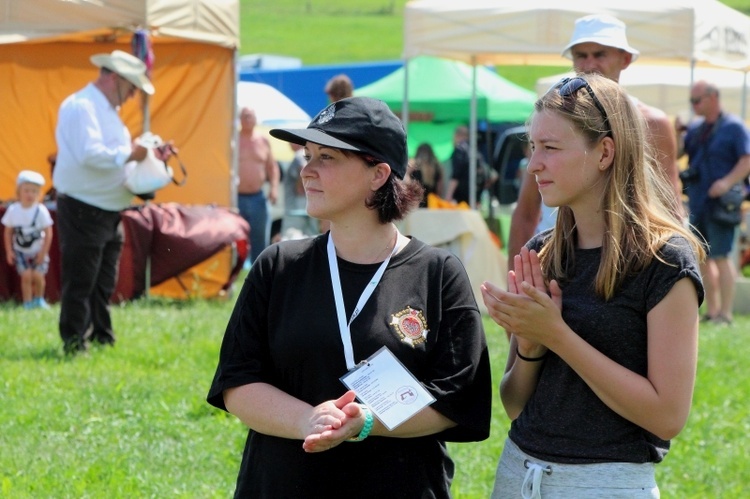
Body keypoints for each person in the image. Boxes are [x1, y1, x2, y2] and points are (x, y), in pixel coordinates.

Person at [207, 96, 491, 497]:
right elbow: (237, 382)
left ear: (378, 174)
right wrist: (310, 420)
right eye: (308, 155)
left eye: (328, 158)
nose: (307, 170)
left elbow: (458, 399)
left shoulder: (438, 274)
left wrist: (367, 421)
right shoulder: (278, 267)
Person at [481, 74, 705, 497]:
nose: (533, 164)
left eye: (550, 147)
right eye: (533, 147)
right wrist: (530, 348)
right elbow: (514, 405)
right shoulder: (543, 253)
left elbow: (668, 416)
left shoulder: (665, 261)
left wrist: (557, 336)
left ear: (604, 152)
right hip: (517, 476)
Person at [507, 14, 683, 272]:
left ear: (624, 59)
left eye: (600, 54)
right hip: (558, 258)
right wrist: (518, 278)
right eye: (581, 55)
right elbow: (526, 209)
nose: (589, 64)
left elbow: (670, 205)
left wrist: (675, 268)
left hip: (627, 262)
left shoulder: (651, 122)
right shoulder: (551, 120)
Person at [53, 49, 171, 354]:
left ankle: (101, 336)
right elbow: (89, 154)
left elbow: (118, 163)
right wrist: (133, 154)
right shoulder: (82, 106)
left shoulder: (103, 110)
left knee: (103, 280)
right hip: (83, 206)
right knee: (81, 280)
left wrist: (151, 160)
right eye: (132, 88)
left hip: (106, 207)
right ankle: (75, 342)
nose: (132, 96)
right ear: (115, 79)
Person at [679, 80, 750, 325]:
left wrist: (727, 182)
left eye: (696, 100)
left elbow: (746, 159)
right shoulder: (696, 129)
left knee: (721, 256)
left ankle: (726, 313)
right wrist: (677, 134)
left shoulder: (734, 126)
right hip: (698, 202)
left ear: (713, 98)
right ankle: (712, 310)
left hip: (722, 204)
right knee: (702, 257)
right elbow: (677, 155)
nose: (694, 105)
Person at [2, 170, 54, 310]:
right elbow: (8, 232)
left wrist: (43, 252)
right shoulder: (13, 210)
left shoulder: (41, 210)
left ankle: (39, 299)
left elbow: (48, 232)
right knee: (26, 276)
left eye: (34, 191)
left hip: (38, 250)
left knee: (37, 276)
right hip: (20, 251)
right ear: (19, 191)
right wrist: (9, 251)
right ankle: (27, 302)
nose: (30, 194)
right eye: (26, 190)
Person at [237, 106, 280, 264]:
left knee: (260, 240)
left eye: (251, 116)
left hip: (258, 197)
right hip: (236, 197)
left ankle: (259, 273)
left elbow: (272, 167)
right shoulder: (234, 140)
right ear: (240, 119)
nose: (248, 119)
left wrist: (274, 188)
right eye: (245, 116)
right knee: (235, 239)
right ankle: (234, 276)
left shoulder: (263, 141)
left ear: (256, 119)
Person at [446, 125, 494, 207]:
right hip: (476, 195)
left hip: (462, 197)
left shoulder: (460, 150)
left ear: (457, 135)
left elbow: (456, 174)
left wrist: (448, 195)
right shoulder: (475, 151)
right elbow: (491, 175)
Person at [409, 142, 445, 207]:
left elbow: (408, 183)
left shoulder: (414, 166)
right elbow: (440, 187)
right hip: (432, 202)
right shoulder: (437, 166)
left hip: (417, 202)